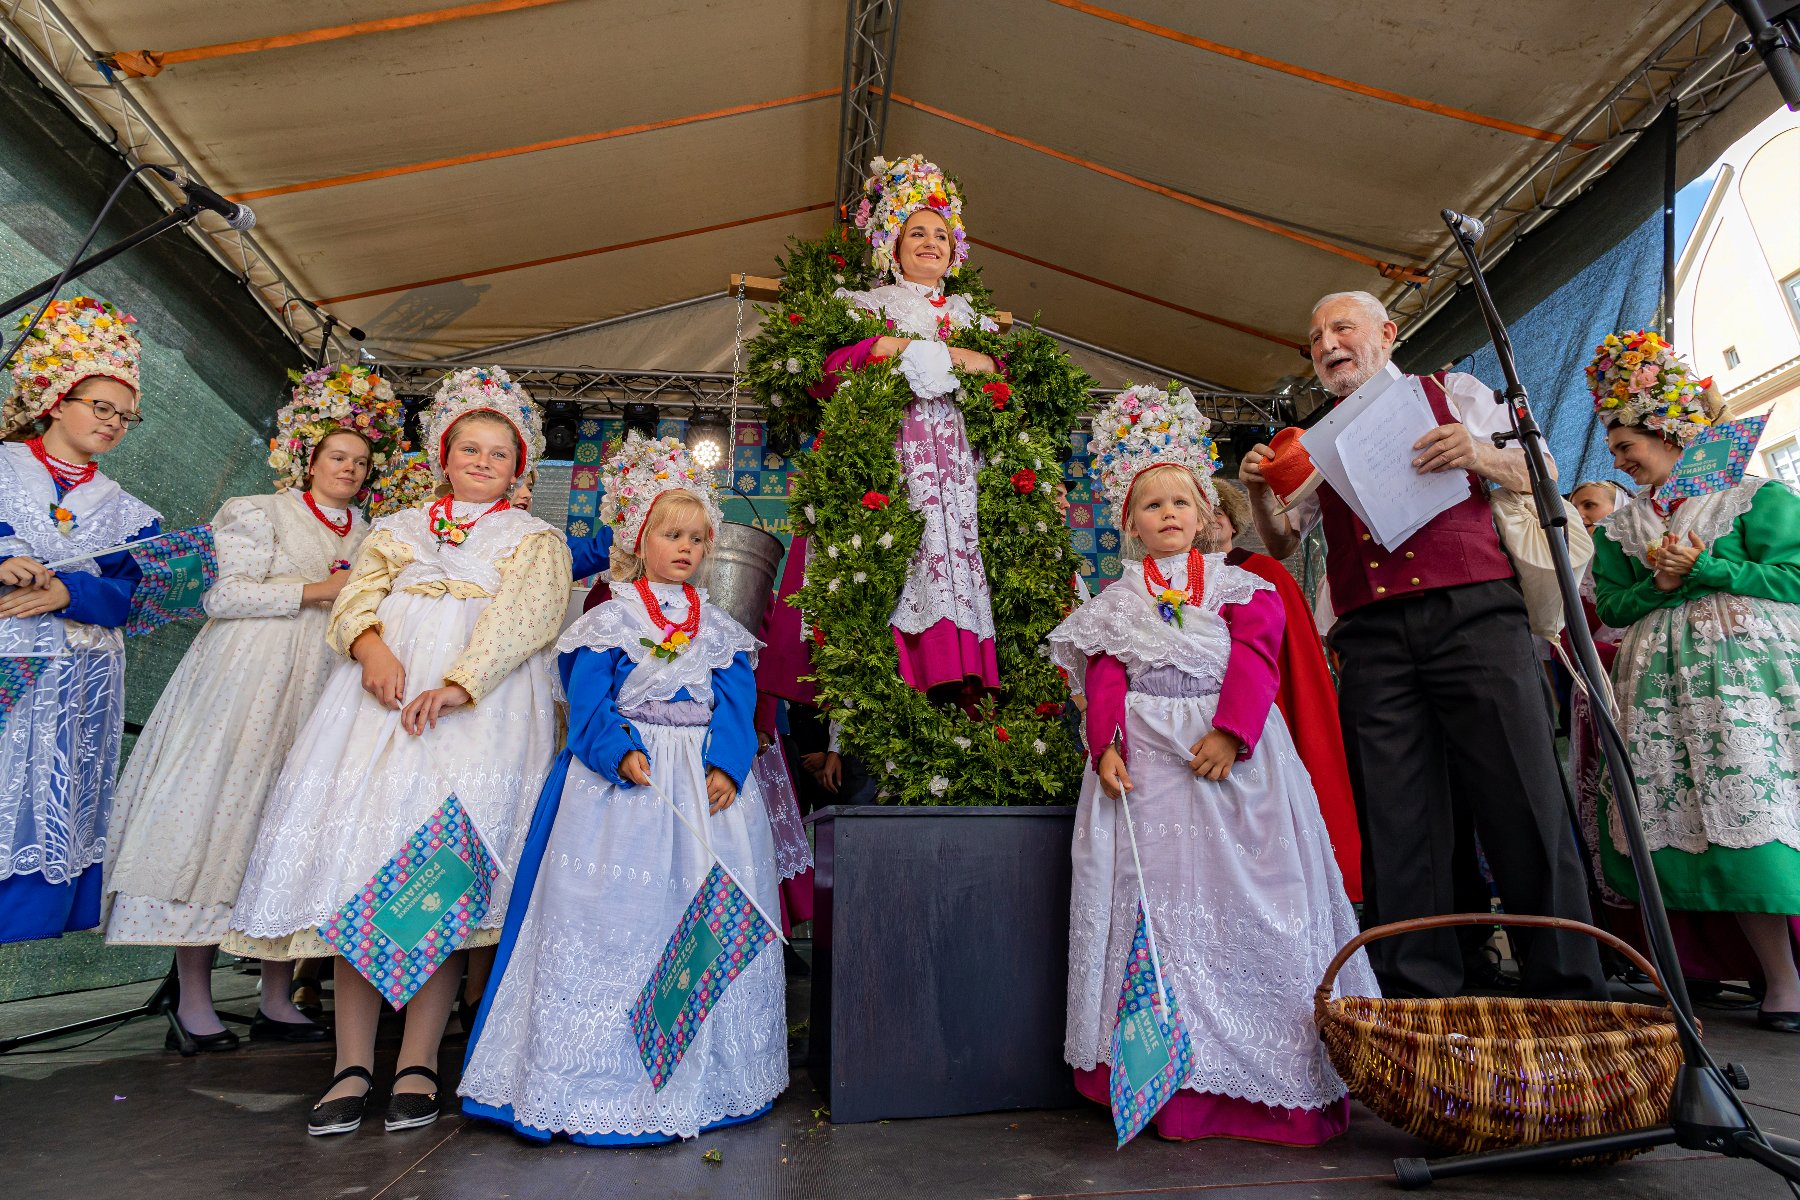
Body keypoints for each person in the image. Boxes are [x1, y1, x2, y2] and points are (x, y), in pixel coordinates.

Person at [224, 366, 571, 1134]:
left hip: (474, 716)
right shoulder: (397, 528)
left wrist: (458, 682)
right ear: (444, 455)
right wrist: (373, 649)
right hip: (376, 708)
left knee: (435, 877)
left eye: (499, 454)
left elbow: (528, 619)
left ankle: (417, 1059)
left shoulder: (535, 539)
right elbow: (353, 599)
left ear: (520, 470)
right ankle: (351, 1062)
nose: (482, 462)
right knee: (365, 872)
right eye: (469, 449)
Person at [1240, 291, 1604, 1001]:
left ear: (1386, 332)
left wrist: (1476, 452)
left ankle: (1569, 988)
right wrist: (1258, 494)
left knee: (1521, 795)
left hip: (1475, 615)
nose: (1326, 344)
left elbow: (1544, 472)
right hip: (1372, 636)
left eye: (1340, 328)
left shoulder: (1455, 391)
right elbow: (1285, 540)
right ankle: (1417, 995)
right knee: (1397, 813)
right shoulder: (1317, 441)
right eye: (1315, 338)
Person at [1050, 385, 1375, 1145]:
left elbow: (1259, 662)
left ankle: (1270, 1077)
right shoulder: (1116, 599)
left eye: (1181, 503)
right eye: (1151, 505)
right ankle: (1162, 1078)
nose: (1167, 514)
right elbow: (1104, 675)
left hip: (1232, 766)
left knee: (1250, 900)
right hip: (1147, 770)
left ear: (1204, 516)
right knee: (1155, 907)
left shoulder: (1243, 586)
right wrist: (1105, 745)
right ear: (1128, 524)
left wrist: (1232, 733)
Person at [460, 433, 786, 1142]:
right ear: (641, 538)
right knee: (612, 918)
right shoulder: (610, 617)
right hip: (625, 789)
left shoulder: (720, 627)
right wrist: (616, 752)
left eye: (698, 539)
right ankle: (589, 1080)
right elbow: (588, 699)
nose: (687, 549)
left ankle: (707, 1073)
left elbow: (738, 700)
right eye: (673, 535)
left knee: (697, 907)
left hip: (700, 786)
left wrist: (727, 765)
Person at [102, 365, 402, 1050]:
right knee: (219, 820)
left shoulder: (375, 533)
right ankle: (195, 998)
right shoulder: (256, 512)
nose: (349, 469)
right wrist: (320, 591)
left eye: (359, 462)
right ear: (309, 458)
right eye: (337, 457)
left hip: (327, 686)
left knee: (288, 830)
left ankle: (275, 995)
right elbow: (224, 596)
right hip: (247, 682)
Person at [1586, 331, 1800, 1032]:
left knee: (1760, 815)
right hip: (1663, 690)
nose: (1620, 462)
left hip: (1749, 683)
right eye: (1615, 451)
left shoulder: (1751, 495)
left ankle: (1782, 979)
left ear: (1667, 430)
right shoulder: (1624, 524)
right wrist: (1661, 582)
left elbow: (1792, 577)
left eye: (1626, 447)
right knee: (1696, 826)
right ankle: (1741, 973)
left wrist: (1707, 570)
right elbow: (1612, 606)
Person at [794, 153, 1004, 698]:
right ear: (893, 243)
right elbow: (826, 372)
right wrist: (886, 346)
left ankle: (962, 673)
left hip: (959, 460)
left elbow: (1002, 382)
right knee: (906, 547)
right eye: (916, 232)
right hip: (897, 450)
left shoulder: (973, 320)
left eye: (941, 233)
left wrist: (951, 356)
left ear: (955, 250)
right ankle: (908, 669)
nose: (930, 241)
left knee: (956, 543)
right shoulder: (866, 307)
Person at [0, 296, 158, 946]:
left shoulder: (129, 514)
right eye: (101, 406)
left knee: (39, 819)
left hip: (73, 702)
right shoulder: (4, 468)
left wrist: (64, 592)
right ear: (58, 398)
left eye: (126, 415)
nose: (114, 422)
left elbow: (135, 599)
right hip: (9, 676)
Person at [1204, 480, 1361, 900]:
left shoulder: (1264, 573)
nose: (1213, 520)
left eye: (1221, 513)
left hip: (1259, 720)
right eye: (1206, 511)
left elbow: (1292, 666)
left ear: (1234, 524)